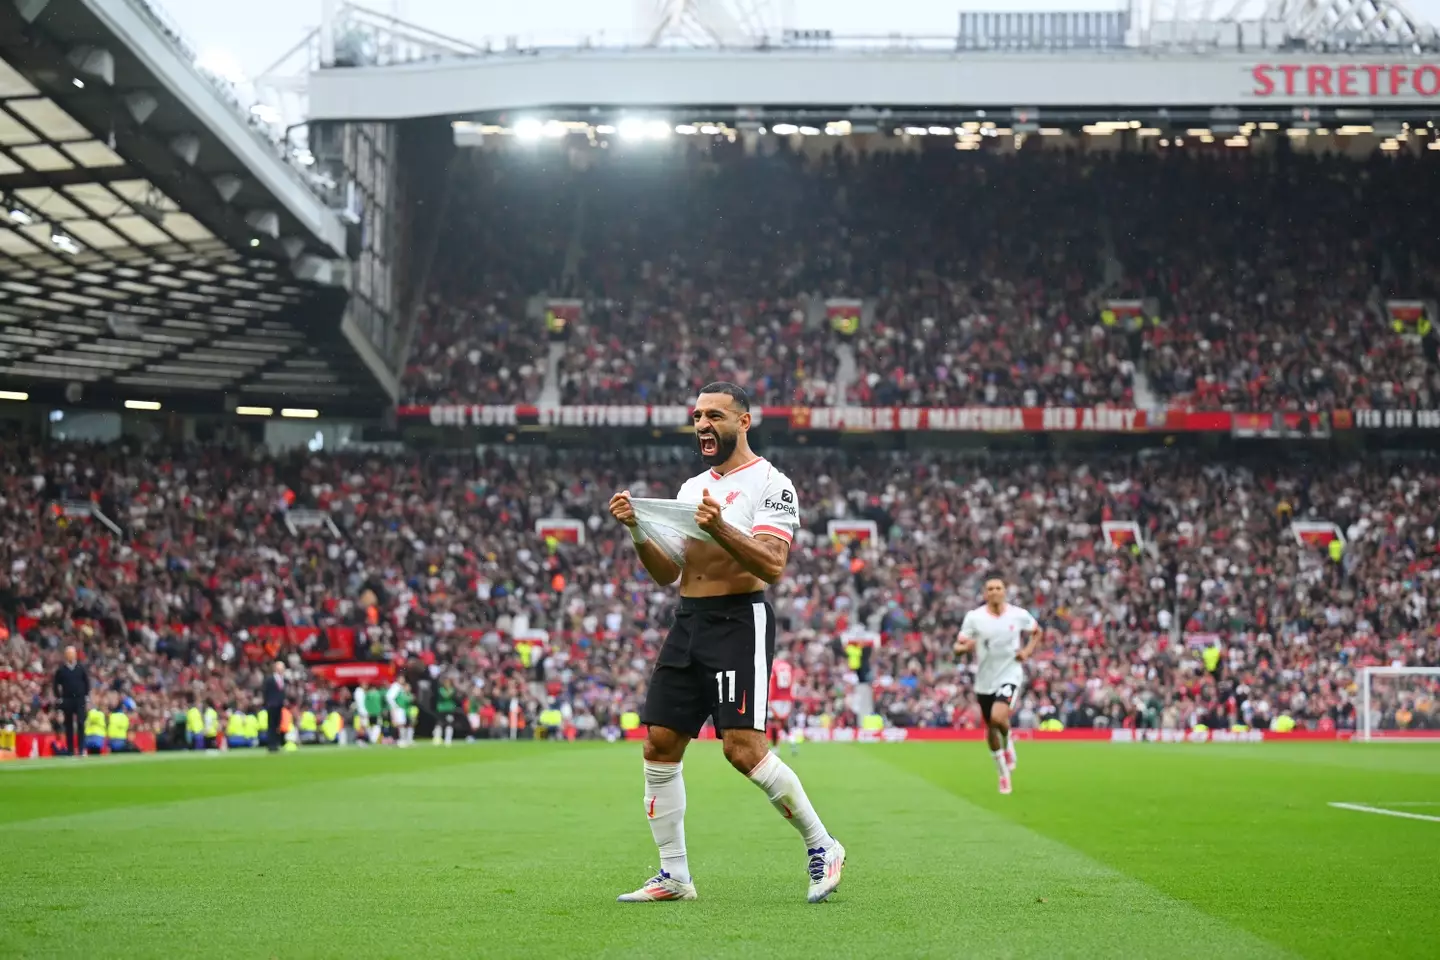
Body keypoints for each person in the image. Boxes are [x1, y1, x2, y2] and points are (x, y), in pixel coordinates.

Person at [608, 382, 845, 904]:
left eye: (714, 414)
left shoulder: (772, 483)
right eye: (696, 416)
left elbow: (771, 565)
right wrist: (638, 532)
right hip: (689, 618)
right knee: (659, 745)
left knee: (742, 750)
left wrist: (719, 528)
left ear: (744, 420)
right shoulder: (690, 489)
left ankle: (823, 845)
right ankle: (674, 877)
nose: (702, 424)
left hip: (740, 620)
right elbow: (667, 574)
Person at [954, 577, 1043, 796]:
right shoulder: (974, 617)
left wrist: (1027, 652)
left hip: (1010, 674)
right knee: (991, 727)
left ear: (1005, 592)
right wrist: (964, 649)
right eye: (990, 589)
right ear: (985, 593)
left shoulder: (1018, 614)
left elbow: (1037, 632)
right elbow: (958, 645)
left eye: (998, 588)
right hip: (984, 680)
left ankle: (1008, 744)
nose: (994, 591)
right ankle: (1003, 773)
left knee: (997, 717)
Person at [52, 645, 89, 756]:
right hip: (67, 699)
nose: (71, 656)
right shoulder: (61, 670)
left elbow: (86, 682)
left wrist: (86, 695)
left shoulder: (80, 668)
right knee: (68, 724)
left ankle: (81, 749)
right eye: (69, 654)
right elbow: (55, 684)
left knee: (81, 723)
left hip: (79, 699)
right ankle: (70, 749)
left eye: (73, 653)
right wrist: (59, 697)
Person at [768, 655, 798, 755]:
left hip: (776, 698)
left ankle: (776, 749)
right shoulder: (788, 667)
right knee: (784, 723)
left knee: (775, 723)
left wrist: (769, 699)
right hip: (787, 698)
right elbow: (792, 683)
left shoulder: (773, 667)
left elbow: (771, 683)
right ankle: (793, 743)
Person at [261, 661, 287, 753]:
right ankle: (271, 745)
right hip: (272, 705)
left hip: (279, 705)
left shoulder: (282, 679)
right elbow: (265, 691)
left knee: (277, 725)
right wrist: (267, 702)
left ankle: (276, 744)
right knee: (271, 725)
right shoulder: (270, 679)